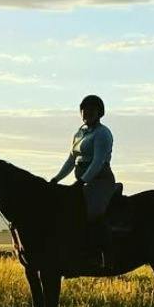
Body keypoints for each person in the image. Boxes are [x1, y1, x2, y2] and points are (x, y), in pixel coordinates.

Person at [51, 93, 117, 269]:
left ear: (99, 112)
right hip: (83, 181)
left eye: (91, 110)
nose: (87, 112)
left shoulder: (103, 133)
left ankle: (102, 254)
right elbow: (71, 160)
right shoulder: (79, 133)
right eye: (84, 109)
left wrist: (82, 181)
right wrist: (56, 178)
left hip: (100, 180)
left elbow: (98, 161)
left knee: (92, 212)